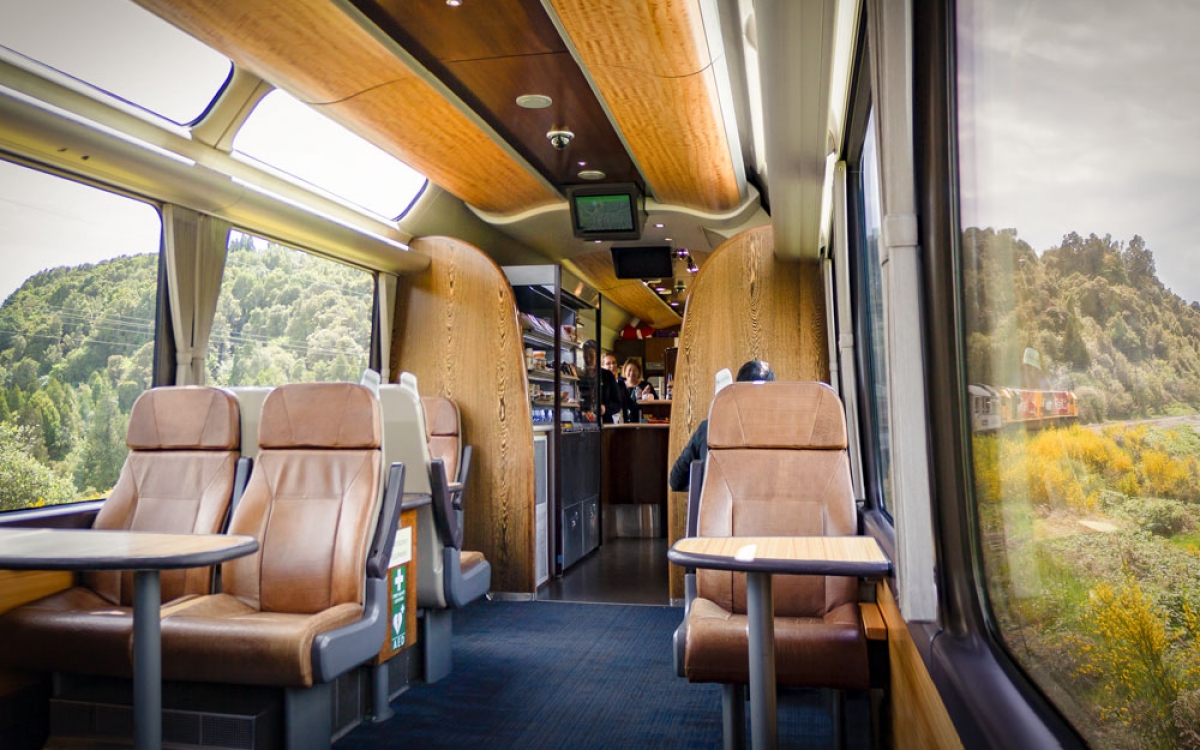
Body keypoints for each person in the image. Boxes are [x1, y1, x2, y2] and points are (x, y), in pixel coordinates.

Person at [668, 360, 775, 491]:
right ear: (771, 395)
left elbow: (675, 480)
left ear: (736, 391)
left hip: (718, 509)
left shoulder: (708, 427)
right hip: (770, 510)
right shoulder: (783, 433)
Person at [581, 341, 623, 424]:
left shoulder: (607, 375)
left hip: (604, 422)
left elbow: (617, 404)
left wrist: (605, 408)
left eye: (591, 356)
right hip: (584, 423)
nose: (588, 360)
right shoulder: (580, 376)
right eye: (585, 356)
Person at [620, 359, 657, 423]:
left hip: (641, 421)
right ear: (624, 371)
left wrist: (645, 397)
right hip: (623, 421)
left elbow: (655, 403)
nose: (632, 373)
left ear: (639, 372)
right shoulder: (620, 385)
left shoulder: (646, 385)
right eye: (629, 370)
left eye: (635, 370)